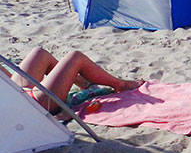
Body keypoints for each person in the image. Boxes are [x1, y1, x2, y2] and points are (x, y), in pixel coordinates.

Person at [2, 46, 141, 114]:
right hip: (29, 106)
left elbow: (8, 80)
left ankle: (83, 83)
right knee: (75, 57)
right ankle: (120, 84)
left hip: (18, 95)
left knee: (40, 53)